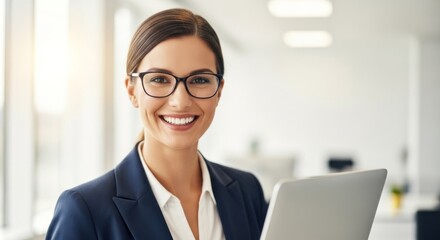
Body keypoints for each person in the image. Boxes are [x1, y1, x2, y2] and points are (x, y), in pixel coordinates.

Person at [46, 8, 268, 240]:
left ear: (219, 92)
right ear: (132, 91)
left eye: (200, 80)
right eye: (160, 79)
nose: (180, 102)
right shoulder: (85, 210)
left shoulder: (246, 191)